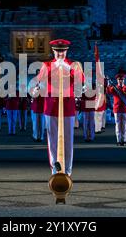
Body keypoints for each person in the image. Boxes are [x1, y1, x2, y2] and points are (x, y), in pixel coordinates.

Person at [35, 39, 84, 176]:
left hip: (68, 107)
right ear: (53, 51)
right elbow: (39, 82)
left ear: (66, 51)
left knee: (68, 140)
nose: (60, 54)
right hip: (50, 107)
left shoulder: (74, 65)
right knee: (52, 140)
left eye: (62, 51)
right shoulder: (47, 65)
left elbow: (81, 80)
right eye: (57, 51)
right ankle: (55, 170)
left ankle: (67, 171)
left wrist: (67, 68)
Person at [107, 71, 126, 146]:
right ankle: (119, 140)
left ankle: (124, 140)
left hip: (125, 109)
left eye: (122, 79)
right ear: (117, 80)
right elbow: (108, 92)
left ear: (124, 80)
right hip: (117, 109)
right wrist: (108, 84)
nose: (120, 81)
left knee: (125, 125)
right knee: (118, 125)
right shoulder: (114, 88)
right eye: (119, 79)